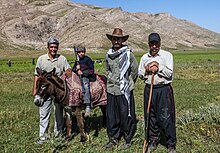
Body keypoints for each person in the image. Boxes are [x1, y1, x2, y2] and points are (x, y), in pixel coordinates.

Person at [138, 33, 176, 153]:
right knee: (151, 115)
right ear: (148, 44)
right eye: (151, 43)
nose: (154, 46)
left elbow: (169, 73)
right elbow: (140, 74)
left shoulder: (167, 55)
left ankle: (171, 143)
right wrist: (147, 69)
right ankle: (153, 140)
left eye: (156, 43)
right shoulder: (144, 57)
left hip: (163, 89)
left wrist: (157, 68)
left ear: (160, 44)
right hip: (149, 89)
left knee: (166, 115)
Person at [104, 28, 138, 150]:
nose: (117, 41)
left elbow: (134, 70)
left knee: (126, 115)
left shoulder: (128, 54)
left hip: (124, 90)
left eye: (119, 39)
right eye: (114, 38)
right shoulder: (108, 54)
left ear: (122, 40)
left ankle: (127, 138)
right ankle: (113, 138)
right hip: (111, 89)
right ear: (112, 40)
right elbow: (107, 69)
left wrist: (128, 82)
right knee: (112, 116)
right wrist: (110, 78)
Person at [33, 38, 71, 144]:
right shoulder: (41, 59)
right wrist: (35, 90)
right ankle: (43, 137)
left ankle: (58, 135)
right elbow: (36, 75)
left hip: (58, 93)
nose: (53, 49)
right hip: (44, 92)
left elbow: (68, 70)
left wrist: (66, 74)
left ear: (57, 48)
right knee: (44, 113)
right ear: (48, 47)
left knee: (58, 113)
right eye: (51, 47)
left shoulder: (62, 58)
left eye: (55, 47)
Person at [72, 45, 95, 117]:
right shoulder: (77, 61)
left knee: (86, 87)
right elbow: (73, 70)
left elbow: (91, 70)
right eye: (79, 52)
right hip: (78, 77)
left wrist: (82, 72)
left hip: (85, 77)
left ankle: (88, 106)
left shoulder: (88, 59)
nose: (81, 53)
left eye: (82, 52)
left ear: (85, 52)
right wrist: (76, 68)